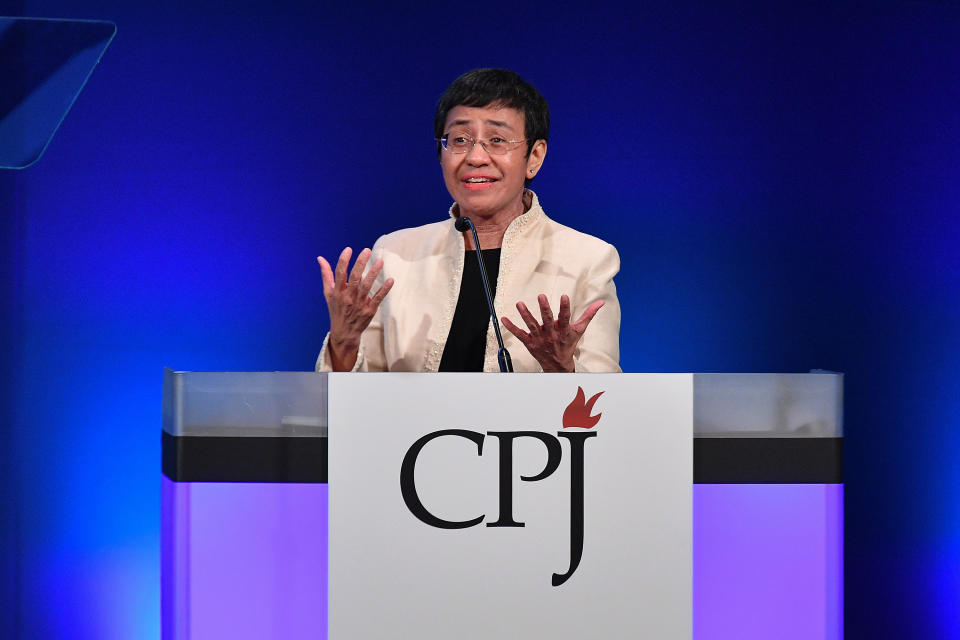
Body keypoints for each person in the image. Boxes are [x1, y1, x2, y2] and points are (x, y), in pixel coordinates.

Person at [316, 69, 621, 373]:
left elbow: (605, 401)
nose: (475, 157)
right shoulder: (395, 254)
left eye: (497, 139)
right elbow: (355, 405)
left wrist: (560, 367)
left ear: (534, 157)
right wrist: (343, 342)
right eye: (460, 139)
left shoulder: (586, 259)